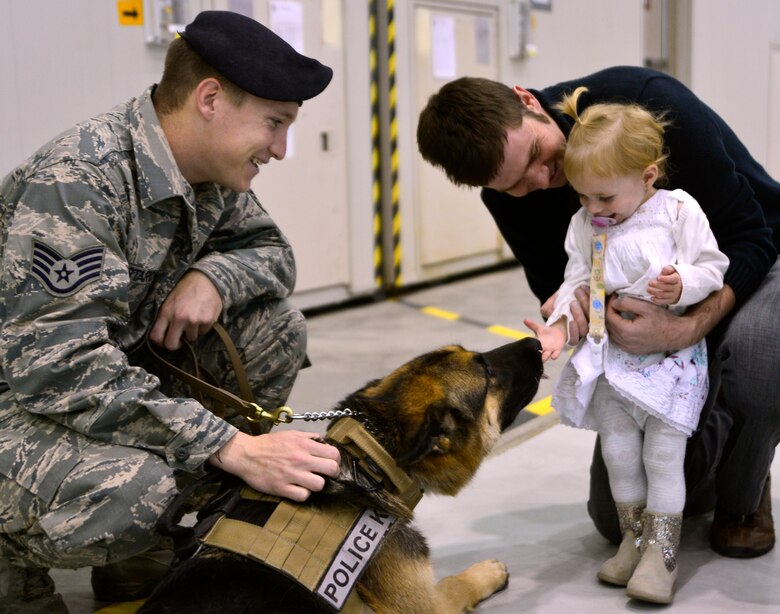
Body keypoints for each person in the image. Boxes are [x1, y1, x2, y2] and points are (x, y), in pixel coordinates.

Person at [0, 10, 341, 612]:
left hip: (85, 380)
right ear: (210, 98)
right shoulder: (80, 181)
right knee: (135, 491)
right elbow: (59, 369)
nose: (282, 150)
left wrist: (213, 275)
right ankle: (11, 564)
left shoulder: (204, 174)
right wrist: (227, 445)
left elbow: (271, 252)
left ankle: (136, 553)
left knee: (275, 329)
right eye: (274, 124)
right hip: (21, 397)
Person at [417, 66, 780, 564]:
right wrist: (569, 314)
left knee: (760, 358)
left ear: (528, 100)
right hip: (652, 313)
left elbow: (751, 237)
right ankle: (712, 419)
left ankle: (744, 492)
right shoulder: (507, 195)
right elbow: (558, 283)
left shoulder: (647, 105)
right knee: (614, 520)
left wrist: (687, 325)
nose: (544, 182)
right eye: (517, 186)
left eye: (538, 157)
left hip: (752, 261)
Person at [523, 87, 728, 603]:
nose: (594, 209)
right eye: (583, 197)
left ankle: (661, 557)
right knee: (618, 453)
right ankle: (632, 542)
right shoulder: (585, 226)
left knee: (661, 458)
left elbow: (713, 266)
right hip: (611, 361)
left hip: (668, 361)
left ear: (647, 176)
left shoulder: (677, 213)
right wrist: (556, 328)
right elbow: (575, 286)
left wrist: (683, 283)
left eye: (605, 198)